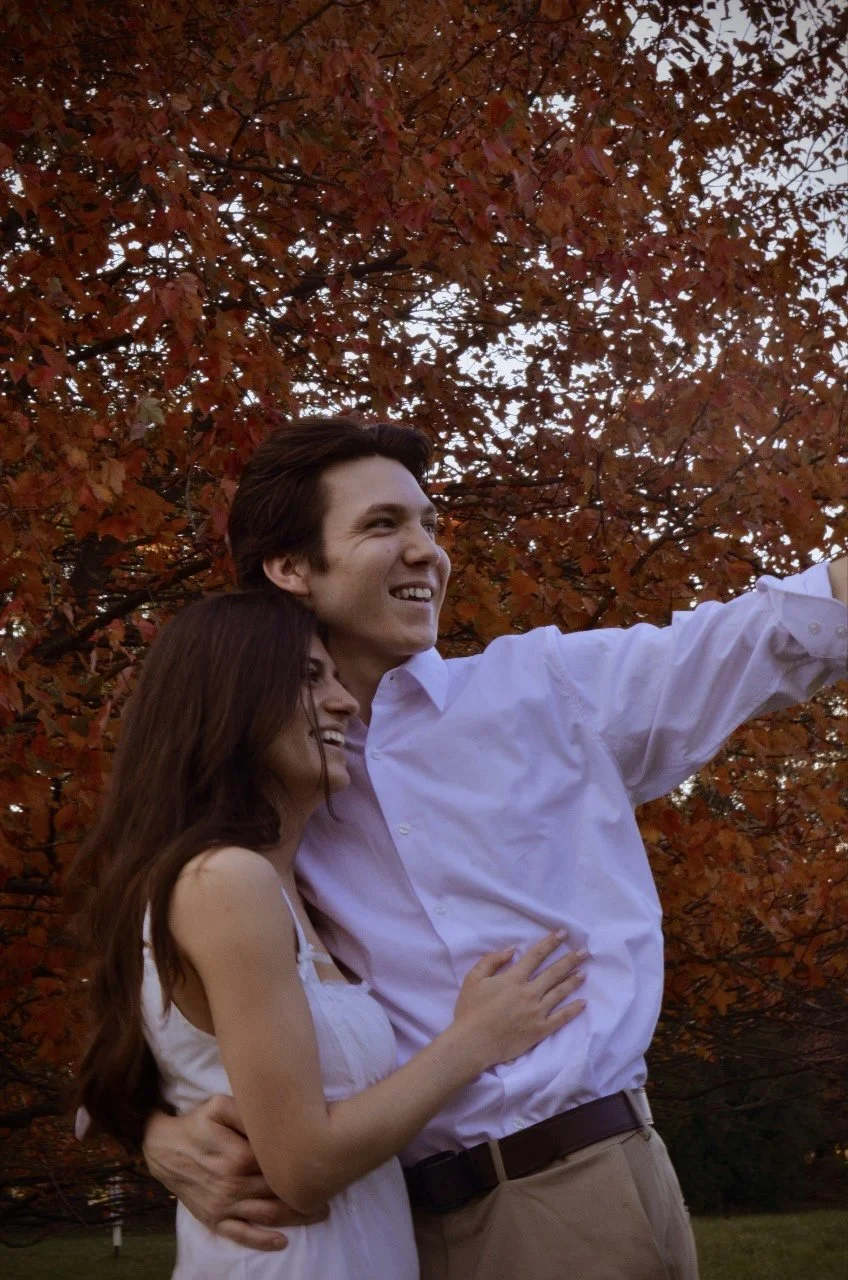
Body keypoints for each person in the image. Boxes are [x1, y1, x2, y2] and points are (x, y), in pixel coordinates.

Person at [142, 416, 848, 1280]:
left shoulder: (543, 693)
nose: (426, 552)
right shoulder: (274, 783)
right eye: (381, 526)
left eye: (429, 525)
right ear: (291, 568)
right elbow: (156, 994)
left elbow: (761, 636)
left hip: (573, 1193)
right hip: (388, 1223)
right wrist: (152, 1132)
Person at [70, 588, 589, 1279]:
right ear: (230, 697)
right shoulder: (226, 881)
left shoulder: (280, 889)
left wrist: (149, 1134)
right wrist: (474, 1041)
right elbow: (303, 1167)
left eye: (337, 679)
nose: (345, 702)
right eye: (311, 678)